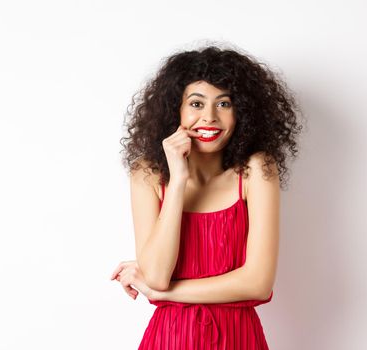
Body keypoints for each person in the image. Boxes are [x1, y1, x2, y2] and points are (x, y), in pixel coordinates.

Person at [110, 43, 303, 349]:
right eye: (197, 104)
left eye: (224, 104)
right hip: (171, 339)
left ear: (241, 112)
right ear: (176, 108)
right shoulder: (147, 175)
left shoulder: (255, 170)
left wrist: (165, 294)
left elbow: (258, 283)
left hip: (239, 339)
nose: (210, 117)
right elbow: (158, 275)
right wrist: (178, 181)